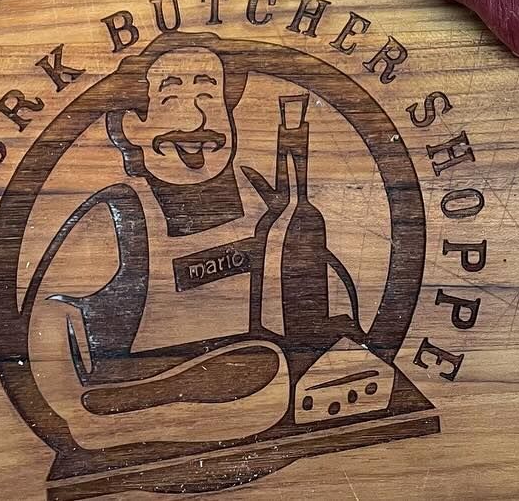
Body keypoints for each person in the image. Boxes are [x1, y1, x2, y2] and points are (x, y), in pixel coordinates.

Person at [23, 33, 363, 452]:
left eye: (211, 97)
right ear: (133, 126)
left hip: (252, 378)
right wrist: (70, 408)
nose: (198, 118)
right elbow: (48, 313)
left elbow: (309, 273)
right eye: (171, 100)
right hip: (134, 398)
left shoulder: (257, 192)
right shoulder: (119, 214)